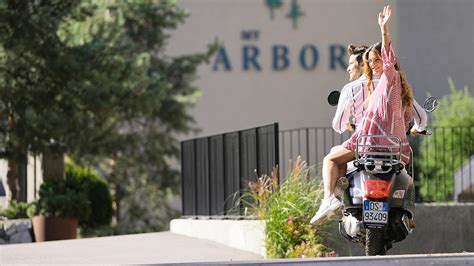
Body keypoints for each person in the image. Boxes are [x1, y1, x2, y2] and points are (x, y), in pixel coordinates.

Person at [311, 5, 416, 225]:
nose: (374, 64)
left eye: (377, 60)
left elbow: (387, 55)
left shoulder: (390, 78)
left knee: (330, 159)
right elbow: (407, 119)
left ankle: (329, 199)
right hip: (393, 148)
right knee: (341, 163)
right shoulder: (395, 89)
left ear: (387, 61)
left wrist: (384, 28)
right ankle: (344, 201)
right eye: (370, 61)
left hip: (369, 145)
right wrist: (414, 128)